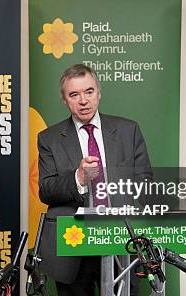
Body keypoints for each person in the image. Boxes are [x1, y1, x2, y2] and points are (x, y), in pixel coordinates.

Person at [37, 64, 153, 295]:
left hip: (121, 239)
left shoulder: (128, 130)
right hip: (74, 243)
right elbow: (46, 190)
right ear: (65, 100)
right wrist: (78, 177)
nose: (83, 100)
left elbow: (145, 184)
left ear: (99, 93)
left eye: (89, 91)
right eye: (74, 94)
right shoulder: (49, 138)